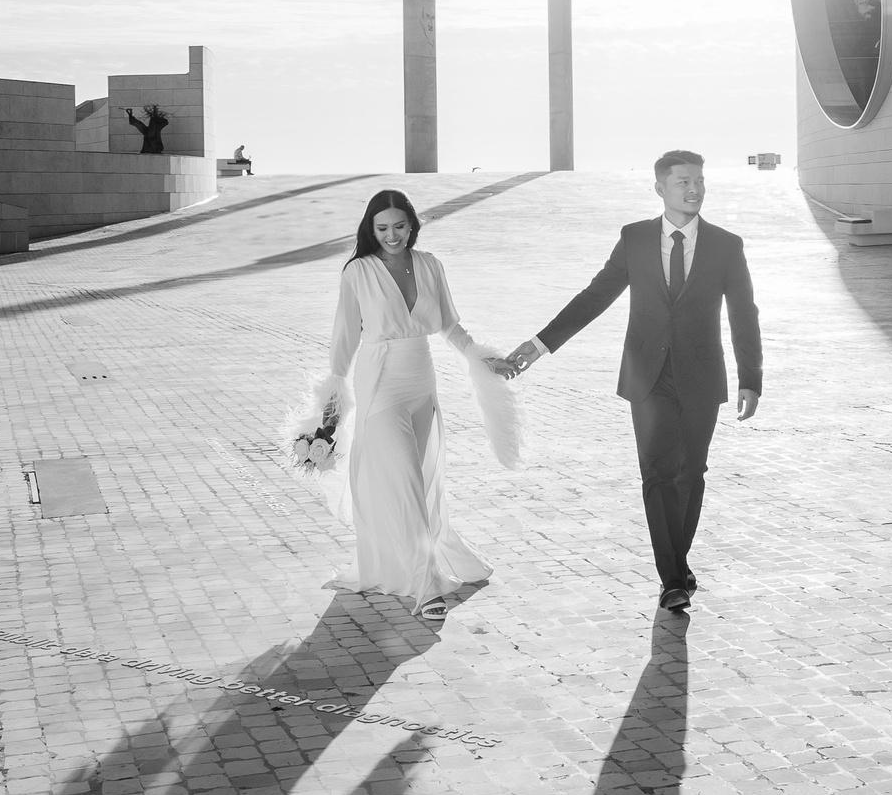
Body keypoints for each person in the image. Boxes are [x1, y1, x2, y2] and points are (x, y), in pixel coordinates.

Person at [505, 150, 760, 612]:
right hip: (647, 376)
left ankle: (676, 564)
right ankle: (672, 579)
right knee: (658, 475)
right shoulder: (635, 238)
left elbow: (744, 312)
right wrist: (541, 344)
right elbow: (596, 296)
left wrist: (751, 377)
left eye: (699, 180)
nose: (694, 189)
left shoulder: (726, 245)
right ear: (660, 188)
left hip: (702, 375)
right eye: (683, 181)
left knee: (692, 474)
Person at [314, 189, 521, 621]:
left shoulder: (430, 265)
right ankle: (426, 586)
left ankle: (438, 560)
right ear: (371, 230)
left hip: (421, 382)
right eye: (382, 228)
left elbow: (449, 326)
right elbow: (344, 339)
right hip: (380, 383)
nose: (392, 236)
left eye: (400, 226)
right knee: (406, 482)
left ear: (412, 224)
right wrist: (331, 407)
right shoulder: (358, 272)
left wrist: (486, 358)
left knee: (426, 482)